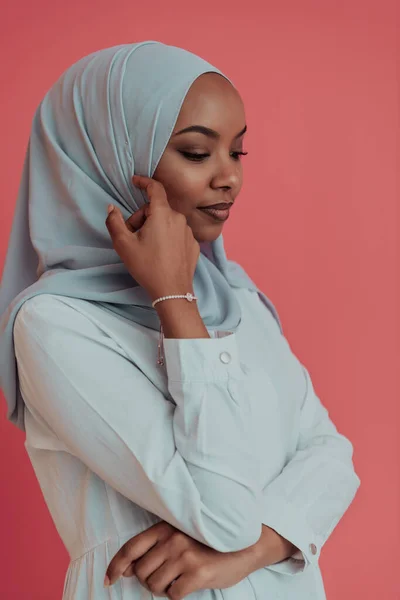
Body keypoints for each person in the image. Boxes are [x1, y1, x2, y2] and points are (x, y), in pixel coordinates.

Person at [0, 41, 360, 600]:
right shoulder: (54, 326)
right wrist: (172, 297)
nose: (229, 179)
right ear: (111, 159)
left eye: (237, 153)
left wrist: (255, 551)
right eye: (197, 153)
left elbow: (332, 456)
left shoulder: (235, 294)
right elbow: (224, 513)